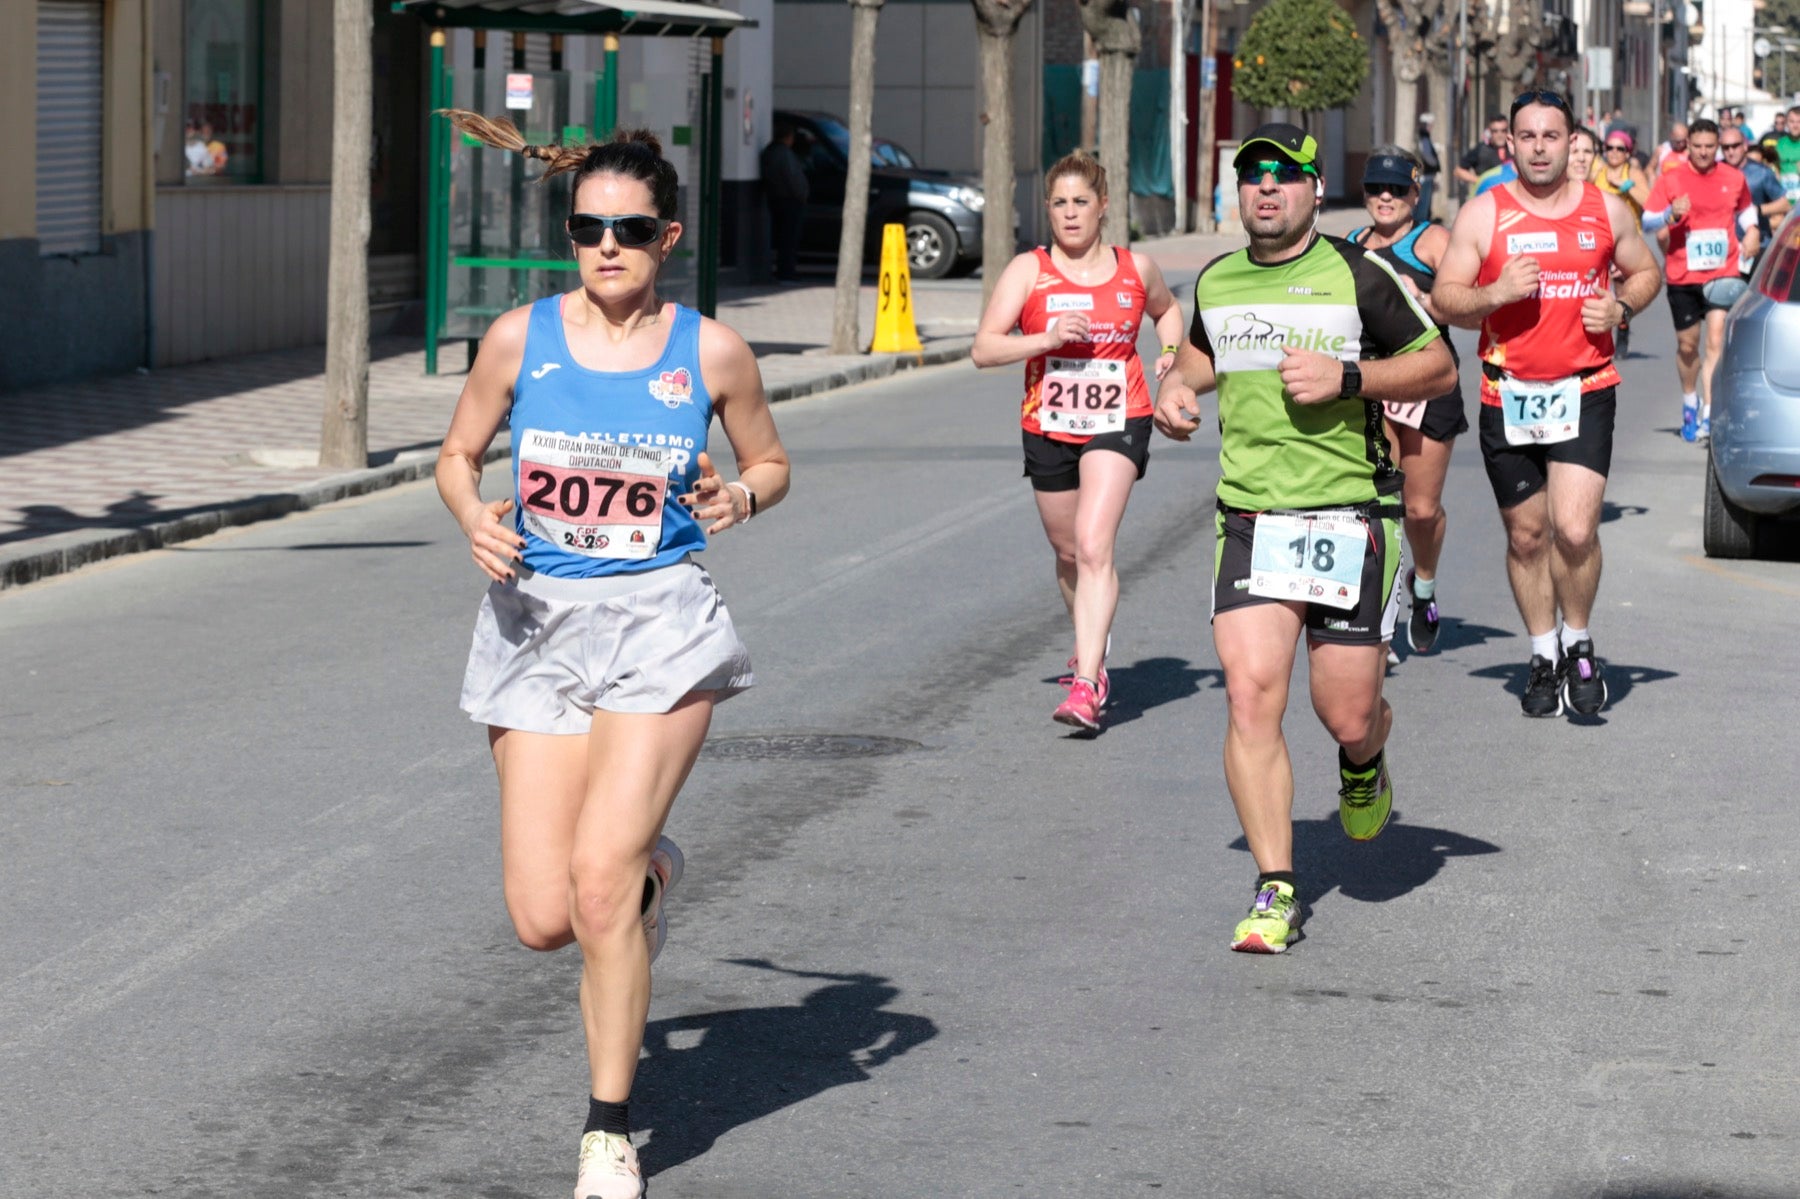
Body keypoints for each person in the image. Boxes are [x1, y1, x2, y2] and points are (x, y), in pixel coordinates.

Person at [433, 110, 792, 1199]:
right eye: (588, 228)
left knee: (597, 889)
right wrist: (472, 515)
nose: (606, 248)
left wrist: (738, 492)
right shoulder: (517, 338)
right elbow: (457, 453)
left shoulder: (711, 351)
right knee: (546, 918)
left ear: (668, 237)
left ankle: (608, 1127)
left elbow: (772, 460)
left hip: (659, 624)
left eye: (629, 230)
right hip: (535, 621)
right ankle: (653, 870)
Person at [1154, 124, 1457, 953]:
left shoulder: (1360, 277)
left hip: (1350, 518)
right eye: (1252, 176)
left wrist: (1350, 378)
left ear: (1316, 191)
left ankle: (1365, 761)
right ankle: (1276, 886)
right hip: (1251, 520)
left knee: (1345, 711)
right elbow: (1196, 361)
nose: (1265, 190)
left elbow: (1438, 370)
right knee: (1251, 693)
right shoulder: (1217, 281)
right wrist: (1173, 393)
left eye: (1284, 178)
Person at [1434, 89, 1661, 719]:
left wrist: (1621, 308)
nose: (1539, 148)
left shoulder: (1606, 211)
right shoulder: (1484, 214)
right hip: (1507, 394)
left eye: (1551, 136)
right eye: (1527, 137)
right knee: (1529, 536)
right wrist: (1495, 294)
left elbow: (1647, 272)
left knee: (1576, 529)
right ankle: (1542, 651)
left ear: (1571, 142)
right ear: (1511, 143)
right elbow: (1444, 300)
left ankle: (1579, 640)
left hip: (1585, 388)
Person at [972, 149, 1185, 732]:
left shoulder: (1134, 269)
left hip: (1121, 416)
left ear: (1103, 207)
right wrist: (1042, 338)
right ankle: (1090, 640)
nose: (1070, 214)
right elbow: (984, 348)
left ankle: (1089, 682)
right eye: (1059, 203)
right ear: (1048, 209)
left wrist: (1169, 353)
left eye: (1081, 202)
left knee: (1094, 547)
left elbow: (1168, 314)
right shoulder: (1029, 270)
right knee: (1067, 553)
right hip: (1047, 423)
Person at [1347, 147, 1469, 659]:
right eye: (1377, 188)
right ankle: (1382, 618)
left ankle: (1424, 587)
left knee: (1420, 509)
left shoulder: (1433, 240)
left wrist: (1427, 299)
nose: (1386, 198)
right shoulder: (1352, 244)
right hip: (1376, 382)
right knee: (1379, 505)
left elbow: (1469, 305)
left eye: (1398, 190)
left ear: (1416, 195)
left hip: (1426, 383)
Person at [1644, 118, 1760, 442]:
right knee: (1687, 346)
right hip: (1682, 273)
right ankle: (1689, 402)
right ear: (1688, 146)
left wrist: (1752, 230)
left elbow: (1746, 211)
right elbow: (1647, 218)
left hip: (1723, 271)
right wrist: (1670, 214)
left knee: (1716, 340)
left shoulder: (1734, 178)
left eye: (1711, 147)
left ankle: (1710, 411)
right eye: (1698, 147)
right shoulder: (1671, 178)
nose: (1705, 153)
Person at [1719, 123, 1790, 275]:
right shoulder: (1716, 171)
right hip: (1726, 247)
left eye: (1735, 146)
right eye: (1726, 147)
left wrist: (1757, 210)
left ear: (1745, 146)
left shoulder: (1761, 172)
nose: (1731, 152)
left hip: (1757, 245)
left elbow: (1785, 204)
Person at [760, 119, 810, 283]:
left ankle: (784, 270)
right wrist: (802, 195)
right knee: (789, 238)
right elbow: (793, 179)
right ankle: (787, 271)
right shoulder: (784, 154)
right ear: (788, 137)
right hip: (789, 201)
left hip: (776, 199)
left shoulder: (769, 152)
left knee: (783, 238)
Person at [1455, 114, 1511, 192]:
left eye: (1503, 130)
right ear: (1489, 132)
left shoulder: (1514, 149)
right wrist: (1481, 180)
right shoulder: (1481, 149)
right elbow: (1458, 171)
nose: (1500, 135)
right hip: (1487, 197)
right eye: (1495, 131)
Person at [1772, 106, 1800, 204]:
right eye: (1792, 122)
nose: (1795, 125)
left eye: (1799, 122)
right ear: (1787, 123)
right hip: (1784, 200)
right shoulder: (1780, 144)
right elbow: (1775, 168)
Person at [1416, 112, 1441, 221]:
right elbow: (1427, 156)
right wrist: (1435, 164)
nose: (1431, 128)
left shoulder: (1424, 137)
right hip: (1425, 176)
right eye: (1429, 125)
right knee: (1423, 204)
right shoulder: (1424, 138)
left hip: (1426, 176)